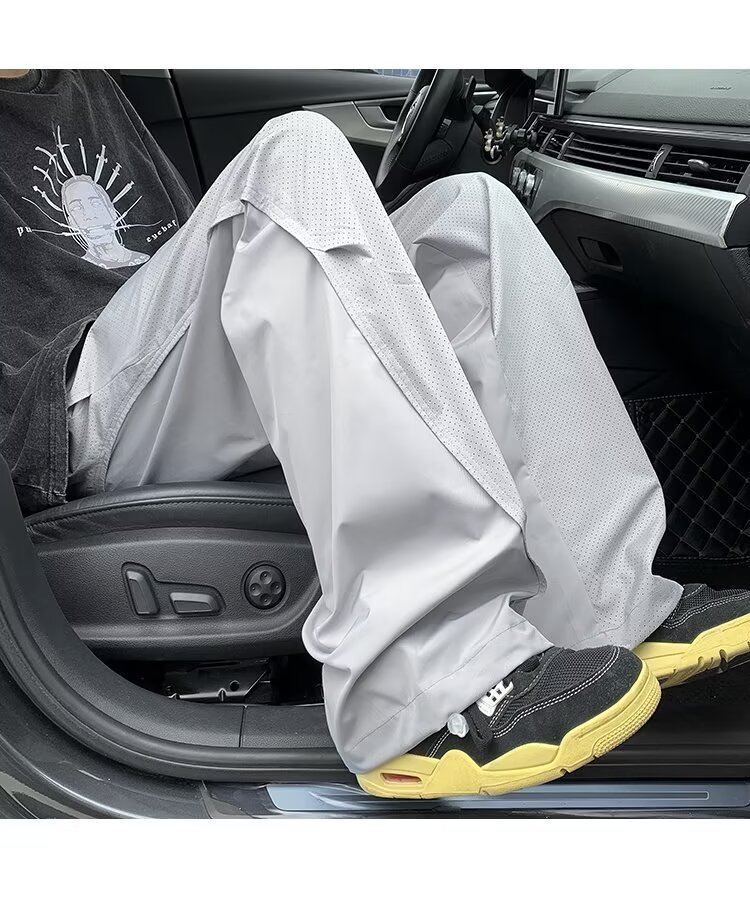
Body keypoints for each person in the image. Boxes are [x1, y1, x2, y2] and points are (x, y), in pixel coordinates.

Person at [2, 69, 750, 799]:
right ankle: (426, 679)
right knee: (294, 152)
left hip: (153, 354)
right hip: (58, 405)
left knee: (472, 214)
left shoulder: (80, 76)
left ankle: (605, 605)